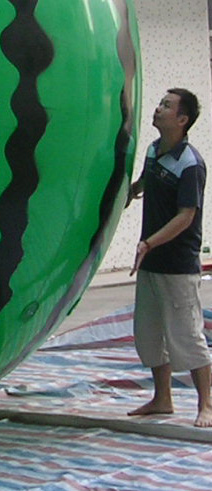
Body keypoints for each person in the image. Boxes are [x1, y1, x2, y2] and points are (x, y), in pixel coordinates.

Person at [126, 87, 212, 427]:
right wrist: (133, 189)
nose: (158, 109)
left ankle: (206, 405)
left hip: (176, 265)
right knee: (148, 333)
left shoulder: (191, 164)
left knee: (186, 334)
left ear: (182, 119)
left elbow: (185, 216)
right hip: (150, 262)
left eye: (166, 106)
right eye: (160, 103)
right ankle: (162, 399)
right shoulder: (153, 150)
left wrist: (149, 243)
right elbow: (149, 179)